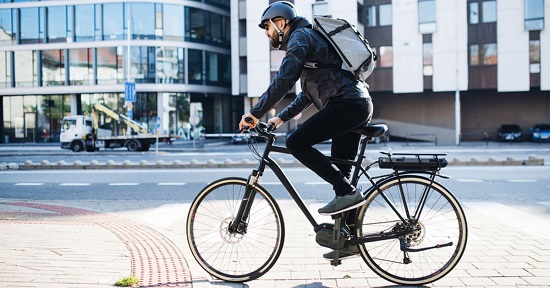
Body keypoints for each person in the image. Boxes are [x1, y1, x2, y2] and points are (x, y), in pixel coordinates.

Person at [238, 1, 373, 258]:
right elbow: (307, 95)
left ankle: (348, 194)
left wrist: (255, 113)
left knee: (296, 143)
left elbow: (284, 79)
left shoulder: (300, 38)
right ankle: (348, 241)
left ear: (281, 23)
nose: (267, 33)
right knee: (341, 176)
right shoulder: (308, 39)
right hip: (355, 103)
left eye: (267, 27)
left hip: (348, 104)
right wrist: (279, 119)